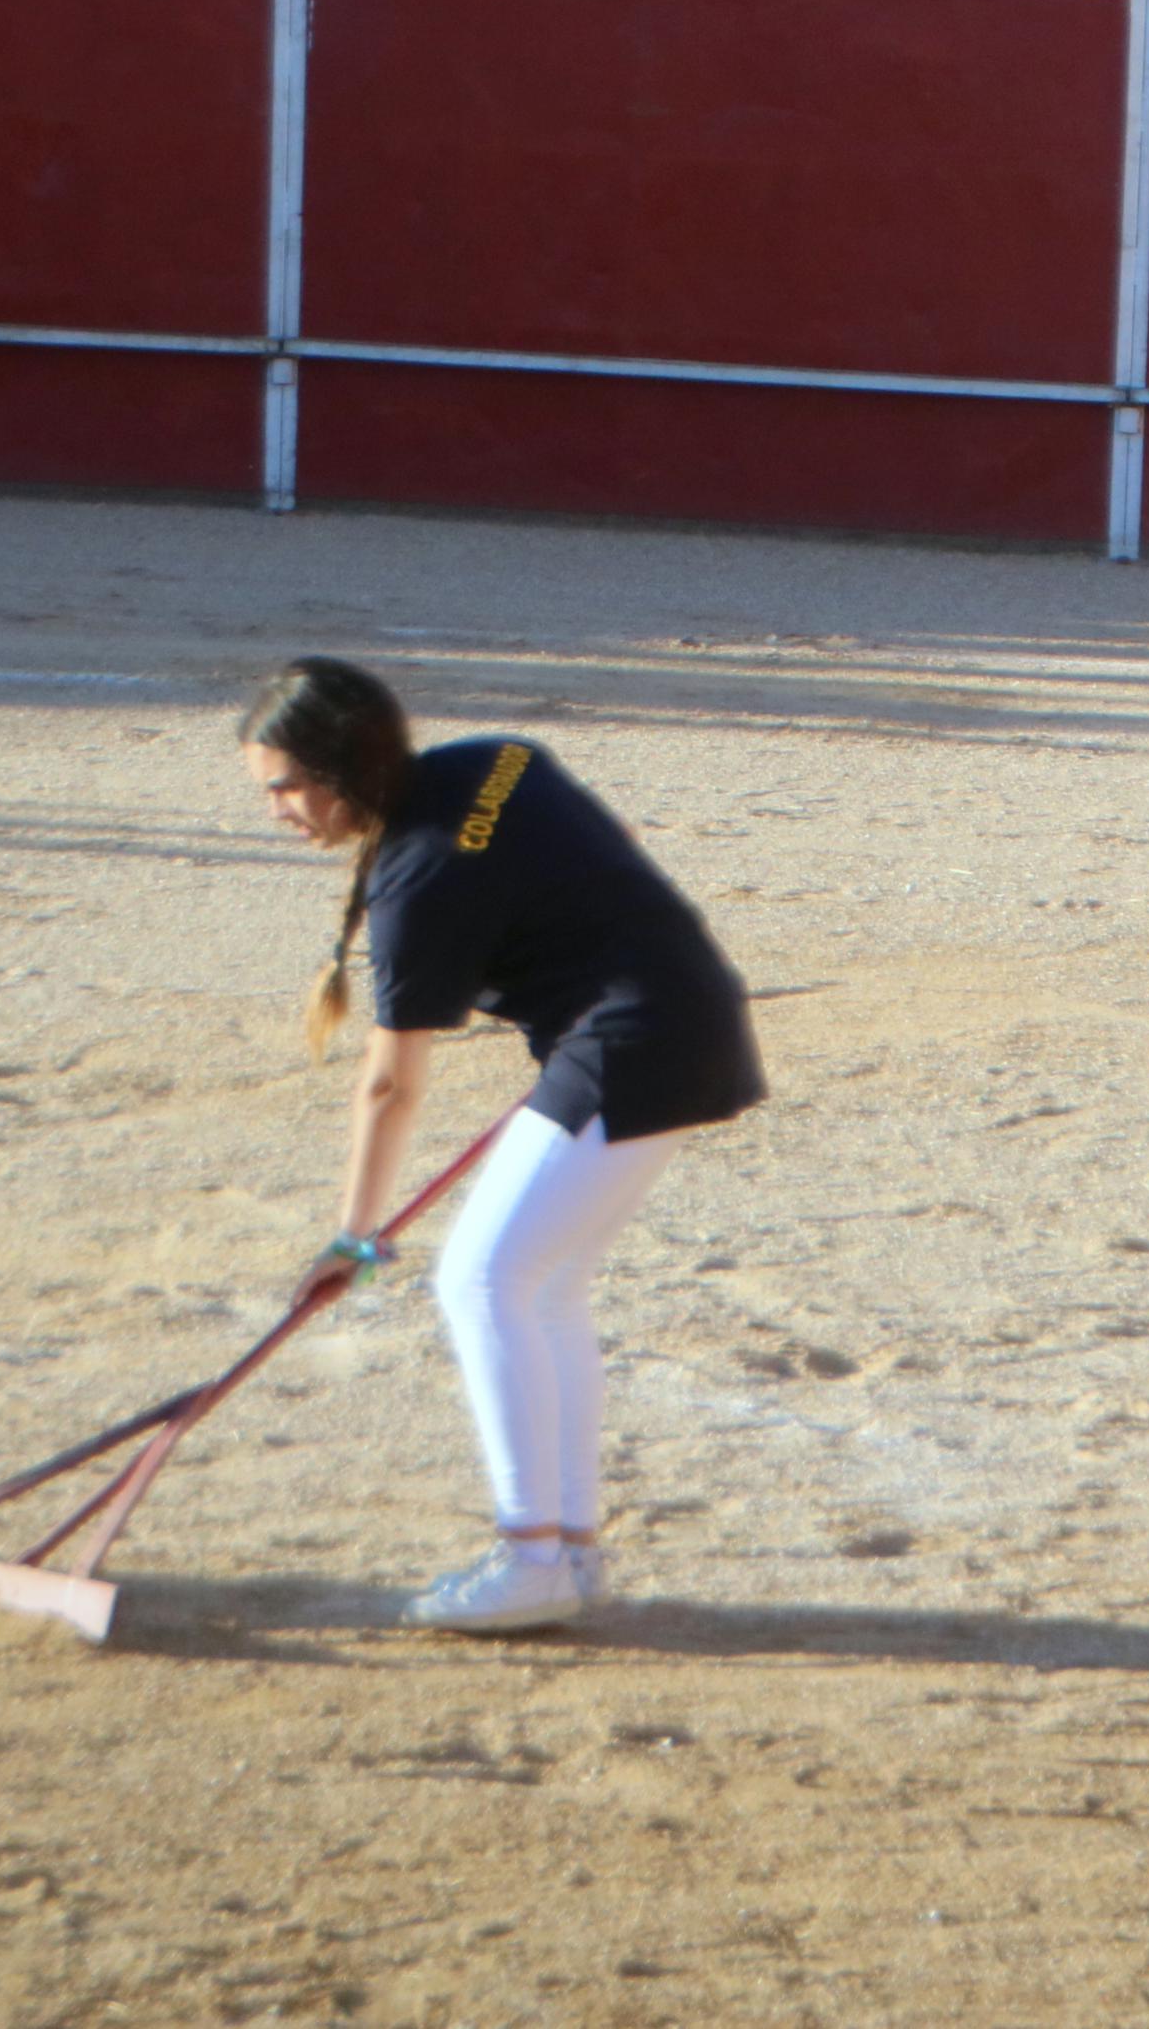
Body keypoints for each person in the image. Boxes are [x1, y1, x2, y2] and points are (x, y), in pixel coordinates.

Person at [239, 659, 764, 1636]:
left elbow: (390, 1084)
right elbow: (616, 851)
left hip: (629, 1043)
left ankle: (533, 1559)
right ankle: (566, 1551)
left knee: (479, 1279)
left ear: (338, 769)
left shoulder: (408, 889)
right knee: (541, 1286)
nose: (275, 809)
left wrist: (354, 1235)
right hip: (689, 1015)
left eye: (281, 785)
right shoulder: (498, 760)